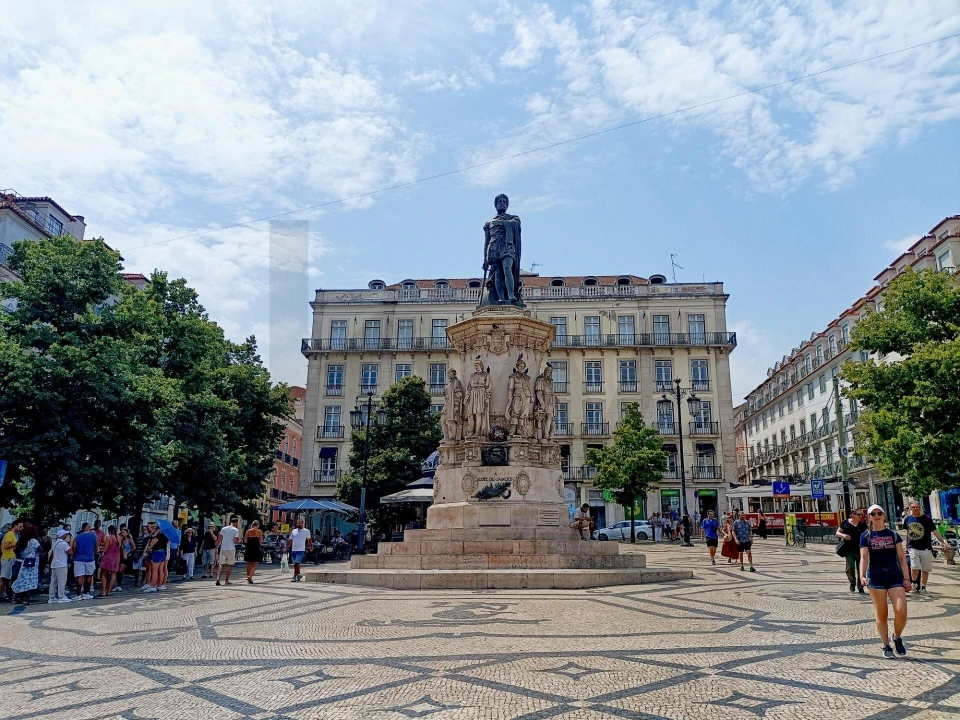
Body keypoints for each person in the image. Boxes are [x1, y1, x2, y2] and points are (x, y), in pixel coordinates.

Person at [860, 504, 911, 658]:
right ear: (869, 517)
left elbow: (901, 558)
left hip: (894, 576)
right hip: (876, 577)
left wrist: (906, 578)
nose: (876, 516)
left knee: (901, 611)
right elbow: (864, 557)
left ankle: (897, 636)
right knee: (882, 614)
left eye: (879, 513)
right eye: (873, 514)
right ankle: (886, 645)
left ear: (884, 516)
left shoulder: (893, 535)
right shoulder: (865, 536)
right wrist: (862, 575)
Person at [903, 501, 945, 594]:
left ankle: (923, 587)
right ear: (910, 508)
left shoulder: (927, 519)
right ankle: (914, 585)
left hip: (926, 548)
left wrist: (942, 542)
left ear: (920, 508)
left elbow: (935, 531)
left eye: (917, 507)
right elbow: (907, 533)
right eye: (913, 507)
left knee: (925, 569)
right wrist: (906, 546)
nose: (915, 509)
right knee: (914, 566)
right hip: (913, 547)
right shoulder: (907, 519)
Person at [837, 509, 867, 593]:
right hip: (849, 549)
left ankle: (860, 586)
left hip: (860, 549)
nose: (861, 516)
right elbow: (837, 532)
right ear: (853, 515)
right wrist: (843, 535)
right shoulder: (845, 523)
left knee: (860, 568)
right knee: (849, 568)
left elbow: (867, 535)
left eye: (861, 515)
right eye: (859, 514)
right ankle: (852, 583)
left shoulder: (862, 525)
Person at [12, 525, 41, 604]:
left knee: (22, 578)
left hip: (26, 560)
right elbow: (40, 549)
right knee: (32, 580)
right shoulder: (34, 541)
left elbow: (16, 549)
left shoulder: (25, 540)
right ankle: (26, 599)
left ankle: (16, 596)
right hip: (33, 562)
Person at [72, 522, 98, 600]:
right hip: (90, 558)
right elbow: (96, 547)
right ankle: (86, 593)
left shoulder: (78, 536)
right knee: (89, 575)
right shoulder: (94, 536)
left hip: (79, 558)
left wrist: (75, 555)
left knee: (79, 576)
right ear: (87, 527)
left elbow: (74, 547)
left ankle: (78, 594)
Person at [142, 522, 169, 593]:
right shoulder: (165, 535)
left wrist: (149, 546)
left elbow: (151, 544)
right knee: (161, 570)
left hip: (157, 552)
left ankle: (153, 586)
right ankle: (160, 585)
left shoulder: (159, 535)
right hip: (163, 552)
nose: (153, 529)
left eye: (154, 527)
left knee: (154, 570)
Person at [0, 518, 23, 602]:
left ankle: (9, 596)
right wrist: (15, 543)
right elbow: (6, 546)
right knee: (3, 578)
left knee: (8, 578)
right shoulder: (9, 534)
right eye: (20, 526)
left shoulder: (13, 535)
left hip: (10, 558)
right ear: (15, 526)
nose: (21, 528)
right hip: (7, 558)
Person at [48, 529, 73, 603]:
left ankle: (51, 597)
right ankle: (61, 596)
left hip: (54, 564)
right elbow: (70, 552)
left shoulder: (55, 543)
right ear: (63, 536)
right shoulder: (64, 544)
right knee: (62, 581)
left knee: (53, 581)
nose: (66, 536)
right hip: (61, 565)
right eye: (65, 534)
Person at [98, 526, 122, 597]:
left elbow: (105, 549)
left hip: (108, 557)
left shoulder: (109, 538)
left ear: (109, 531)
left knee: (103, 574)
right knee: (113, 574)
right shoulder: (119, 538)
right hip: (116, 558)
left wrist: (99, 550)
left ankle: (103, 591)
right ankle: (109, 591)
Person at [216, 518, 240, 586]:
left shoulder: (223, 529)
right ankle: (226, 580)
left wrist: (216, 547)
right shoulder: (236, 530)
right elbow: (235, 541)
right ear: (236, 522)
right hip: (231, 548)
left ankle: (218, 578)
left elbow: (220, 539)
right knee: (229, 565)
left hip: (223, 548)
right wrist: (238, 540)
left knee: (220, 564)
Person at [288, 518, 313, 582]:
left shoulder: (306, 531)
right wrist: (286, 548)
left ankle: (294, 576)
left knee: (297, 563)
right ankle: (298, 575)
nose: (298, 524)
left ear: (302, 523)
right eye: (297, 523)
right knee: (295, 564)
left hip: (301, 549)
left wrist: (311, 546)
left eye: (299, 523)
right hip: (294, 549)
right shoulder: (294, 531)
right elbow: (290, 540)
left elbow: (309, 540)